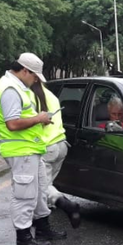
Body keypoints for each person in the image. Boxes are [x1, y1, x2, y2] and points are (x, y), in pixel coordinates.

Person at [0, 53, 65, 245]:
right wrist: (38, 118)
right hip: (20, 150)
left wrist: (39, 118)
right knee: (24, 196)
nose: (35, 81)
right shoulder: (9, 89)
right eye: (34, 76)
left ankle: (43, 229)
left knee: (40, 191)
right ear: (24, 70)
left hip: (31, 149)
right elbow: (13, 123)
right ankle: (23, 238)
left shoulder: (19, 88)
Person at [30, 81, 81, 229]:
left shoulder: (31, 97)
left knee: (42, 186)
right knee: (46, 185)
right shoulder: (51, 95)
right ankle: (41, 220)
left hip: (46, 147)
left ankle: (66, 205)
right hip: (61, 144)